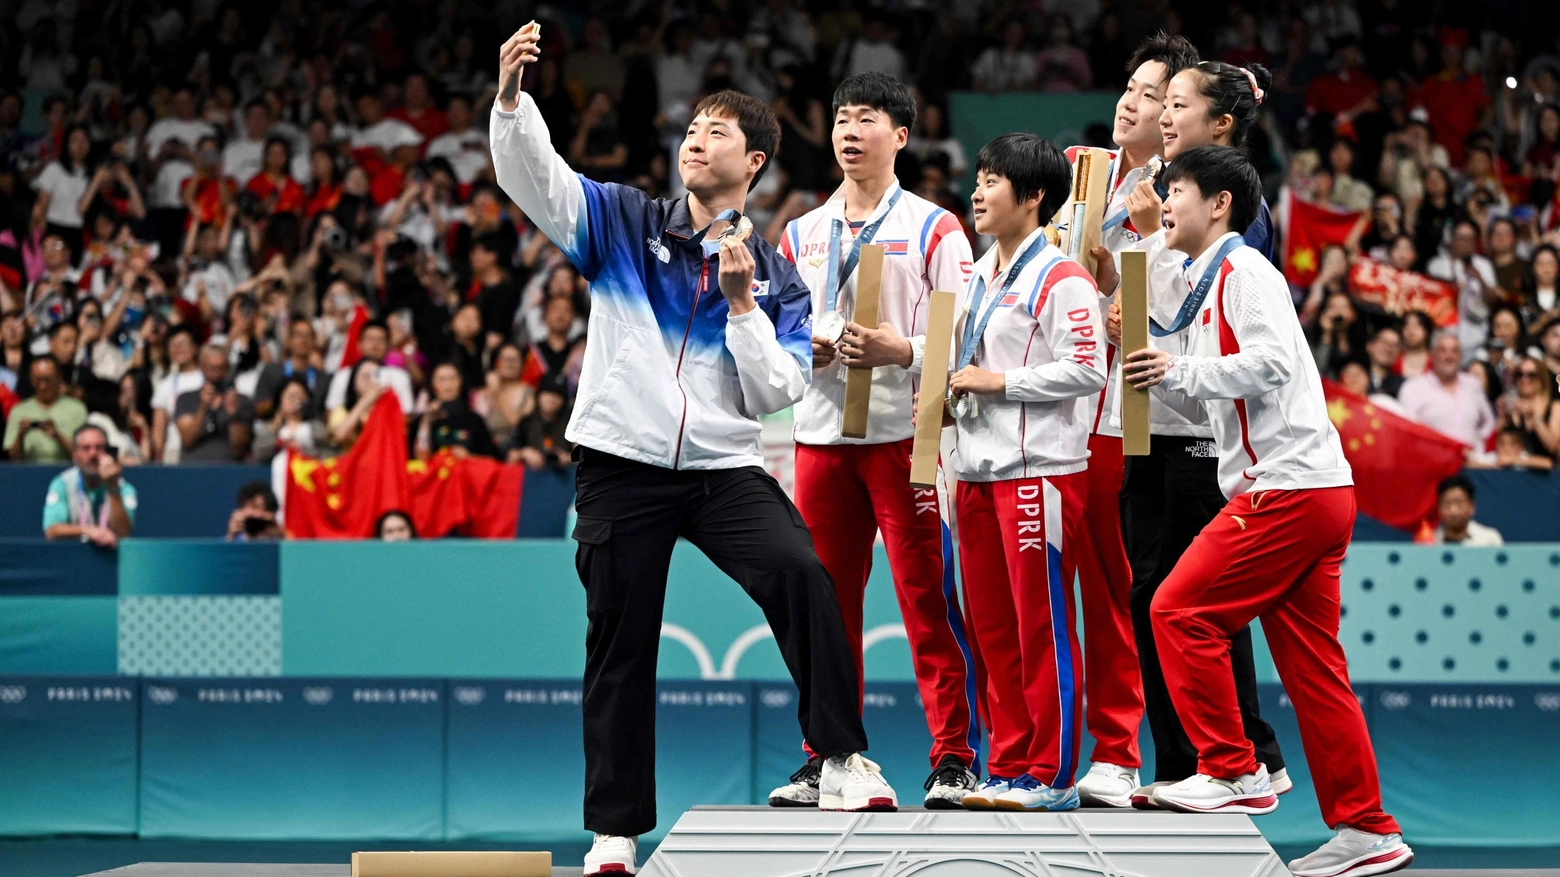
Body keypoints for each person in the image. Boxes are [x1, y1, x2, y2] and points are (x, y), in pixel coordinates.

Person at [493, 23, 888, 875]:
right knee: (619, 645)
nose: (694, 141)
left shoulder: (777, 273)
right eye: (692, 129)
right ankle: (615, 831)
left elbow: (776, 391)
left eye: (717, 132)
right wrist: (512, 103)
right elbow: (539, 181)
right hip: (620, 464)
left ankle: (841, 757)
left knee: (800, 571)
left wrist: (744, 307)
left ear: (754, 164)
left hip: (720, 470)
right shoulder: (623, 221)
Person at [1121, 145, 1412, 877]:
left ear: (1218, 204)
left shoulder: (1244, 270)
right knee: (1316, 672)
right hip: (1310, 487)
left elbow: (1274, 360)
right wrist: (1147, 363)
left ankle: (1233, 767)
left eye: (1176, 189)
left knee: (1176, 609)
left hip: (1287, 488)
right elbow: (1197, 393)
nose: (1167, 203)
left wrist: (1179, 366)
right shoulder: (1197, 283)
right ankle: (1368, 827)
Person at [769, 72, 978, 811]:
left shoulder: (934, 227)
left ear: (902, 134)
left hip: (908, 435)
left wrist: (904, 351)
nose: (850, 132)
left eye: (867, 119)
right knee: (826, 605)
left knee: (927, 598)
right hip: (822, 436)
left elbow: (964, 331)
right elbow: (779, 327)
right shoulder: (800, 232)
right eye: (842, 120)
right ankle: (828, 752)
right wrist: (810, 348)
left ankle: (954, 755)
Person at [1095, 53, 1289, 807]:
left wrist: (1144, 248)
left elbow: (1203, 310)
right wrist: (1125, 299)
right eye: (1158, 101)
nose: (1162, 115)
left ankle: (1225, 757)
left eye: (1176, 103)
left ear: (1222, 124)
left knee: (1186, 602)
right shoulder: (1172, 195)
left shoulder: (1237, 211)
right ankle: (1206, 759)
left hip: (1200, 435)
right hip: (1149, 421)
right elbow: (1159, 304)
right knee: (1163, 598)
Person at [928, 133, 1104, 812]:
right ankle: (1006, 764)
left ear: (1033, 197)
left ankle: (1052, 773)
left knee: (1042, 625)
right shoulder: (978, 273)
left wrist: (1000, 381)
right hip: (972, 470)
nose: (977, 190)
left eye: (993, 180)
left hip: (1039, 474)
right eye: (978, 176)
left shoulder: (1063, 278)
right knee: (991, 630)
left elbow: (1089, 368)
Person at [1063, 31, 1203, 810]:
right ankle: (1048, 752)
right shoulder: (1089, 176)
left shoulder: (1185, 191)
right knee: (1065, 587)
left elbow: (1183, 307)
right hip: (1064, 411)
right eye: (1131, 85)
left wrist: (1144, 253)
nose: (1132, 100)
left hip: (1138, 417)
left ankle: (1121, 751)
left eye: (1153, 94)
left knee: (1123, 590)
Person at [1398, 332, 1497, 451]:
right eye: (1442, 351)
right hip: (1433, 465)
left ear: (1460, 356)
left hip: (1472, 464)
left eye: (1454, 351)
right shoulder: (1413, 388)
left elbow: (1488, 422)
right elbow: (1407, 431)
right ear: (1432, 355)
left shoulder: (1473, 385)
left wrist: (1477, 444)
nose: (1449, 356)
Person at [42, 424, 136, 548]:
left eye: (99, 448)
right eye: (86, 448)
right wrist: (88, 531)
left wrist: (113, 488)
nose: (93, 454)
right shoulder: (62, 483)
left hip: (110, 561)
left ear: (107, 452)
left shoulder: (123, 488)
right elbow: (51, 531)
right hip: (72, 559)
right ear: (74, 454)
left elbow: (123, 534)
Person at [174, 342, 254, 462]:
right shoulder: (186, 399)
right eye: (212, 368)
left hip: (229, 470)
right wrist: (203, 407)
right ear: (201, 367)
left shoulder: (241, 401)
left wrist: (233, 416)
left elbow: (239, 448)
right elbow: (188, 440)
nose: (217, 374)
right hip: (193, 471)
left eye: (221, 368)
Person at [4, 357, 87, 463]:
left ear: (59, 378)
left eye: (47, 380)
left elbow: (85, 455)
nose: (42, 386)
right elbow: (13, 458)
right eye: (37, 380)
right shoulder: (19, 410)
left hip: (66, 471)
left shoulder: (77, 409)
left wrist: (58, 436)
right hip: (28, 473)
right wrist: (20, 435)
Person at [411, 361, 498, 460]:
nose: (447, 384)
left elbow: (490, 459)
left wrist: (468, 457)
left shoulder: (475, 419)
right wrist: (425, 422)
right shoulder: (424, 420)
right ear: (433, 384)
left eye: (452, 378)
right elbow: (420, 459)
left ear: (460, 382)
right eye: (442, 379)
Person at [508, 372, 572, 469]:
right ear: (538, 395)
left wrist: (568, 458)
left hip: (565, 478)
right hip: (532, 477)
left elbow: (585, 457)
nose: (552, 399)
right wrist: (524, 453)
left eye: (558, 395)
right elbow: (510, 457)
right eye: (548, 392)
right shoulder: (526, 423)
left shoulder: (572, 425)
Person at [1431, 475, 1503, 546]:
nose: (1453, 511)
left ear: (1472, 506)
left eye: (1459, 503)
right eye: (1447, 503)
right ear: (1439, 507)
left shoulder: (1489, 540)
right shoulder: (1430, 543)